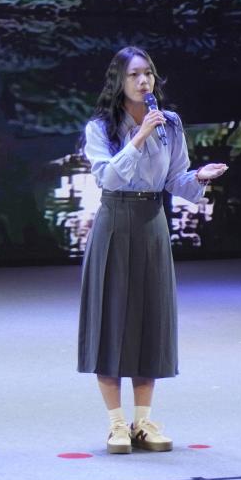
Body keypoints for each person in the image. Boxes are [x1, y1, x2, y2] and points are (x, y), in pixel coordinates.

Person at [78, 46, 229, 454]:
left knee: (150, 319)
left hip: (152, 222)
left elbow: (175, 179)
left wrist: (199, 176)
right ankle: (116, 424)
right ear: (119, 81)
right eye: (134, 75)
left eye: (148, 73)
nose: (143, 81)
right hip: (115, 221)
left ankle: (143, 421)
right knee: (112, 320)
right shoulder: (100, 127)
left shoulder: (170, 123)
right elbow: (108, 178)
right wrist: (139, 136)